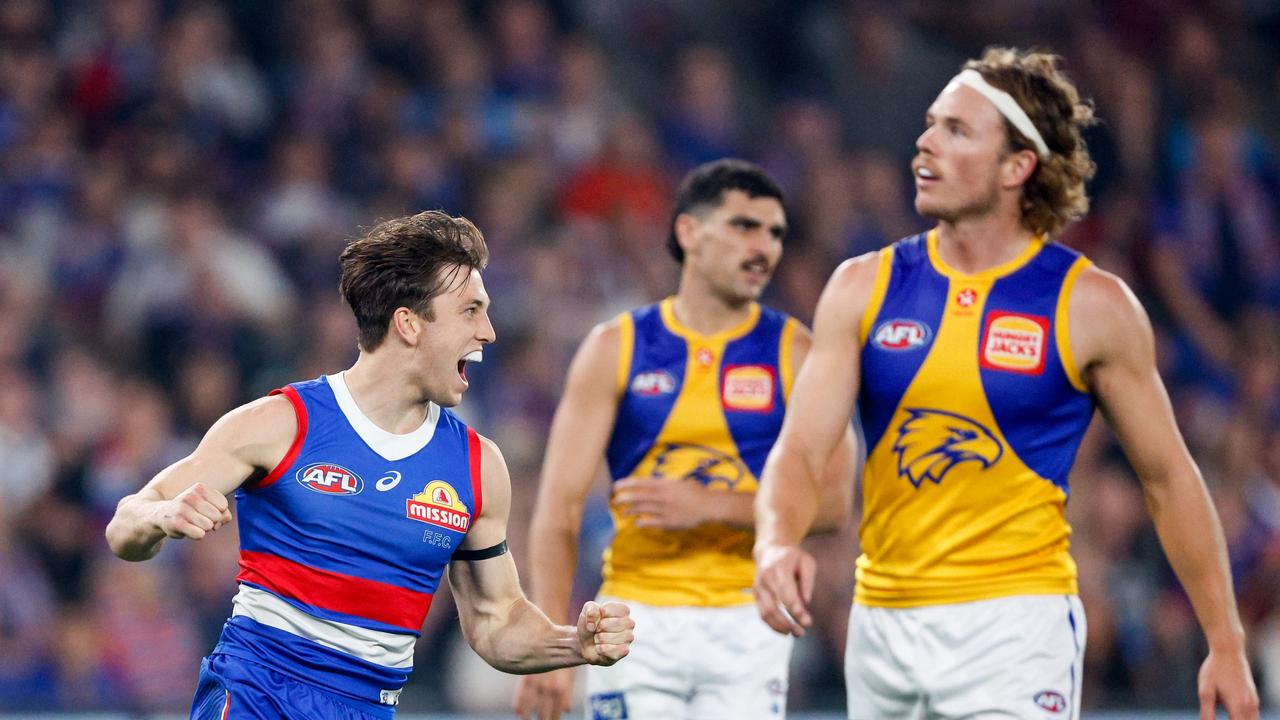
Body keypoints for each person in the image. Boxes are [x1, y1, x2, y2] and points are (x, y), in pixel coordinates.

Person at [752, 48, 1260, 719]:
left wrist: (1224, 640)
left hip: (1016, 630)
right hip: (881, 631)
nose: (924, 143)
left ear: (1018, 166)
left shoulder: (1091, 305)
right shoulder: (861, 287)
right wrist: (776, 541)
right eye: (930, 124)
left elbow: (1169, 479)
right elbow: (800, 448)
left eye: (956, 130)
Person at [105, 211, 634, 719]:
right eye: (471, 310)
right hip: (256, 696)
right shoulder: (280, 424)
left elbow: (497, 623)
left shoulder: (477, 467)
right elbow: (125, 524)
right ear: (408, 324)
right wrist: (161, 517)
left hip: (370, 708)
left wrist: (575, 643)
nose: (489, 332)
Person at [513, 159, 855, 720]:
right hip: (635, 617)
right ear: (689, 232)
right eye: (745, 226)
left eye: (775, 233)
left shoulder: (797, 352)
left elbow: (837, 504)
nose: (764, 247)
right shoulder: (614, 348)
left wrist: (710, 505)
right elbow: (558, 510)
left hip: (749, 617)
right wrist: (556, 643)